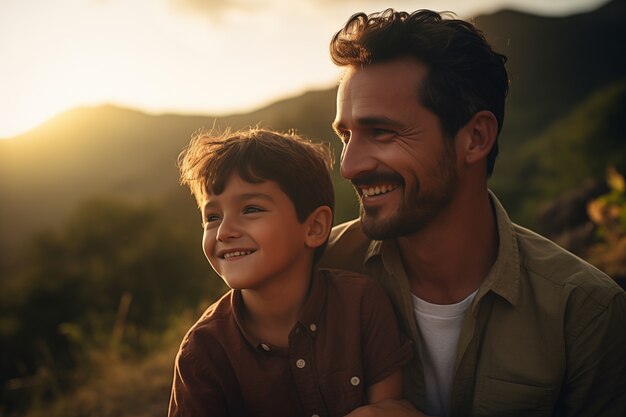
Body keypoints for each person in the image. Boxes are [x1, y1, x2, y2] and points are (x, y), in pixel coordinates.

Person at [319, 8, 626, 417]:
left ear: (476, 137)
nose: (349, 166)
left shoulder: (585, 312)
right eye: (346, 136)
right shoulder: (317, 271)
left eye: (382, 132)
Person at [168, 128, 413, 417]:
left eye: (250, 209)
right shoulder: (203, 350)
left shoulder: (361, 302)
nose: (224, 232)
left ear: (314, 227)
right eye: (212, 217)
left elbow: (388, 408)